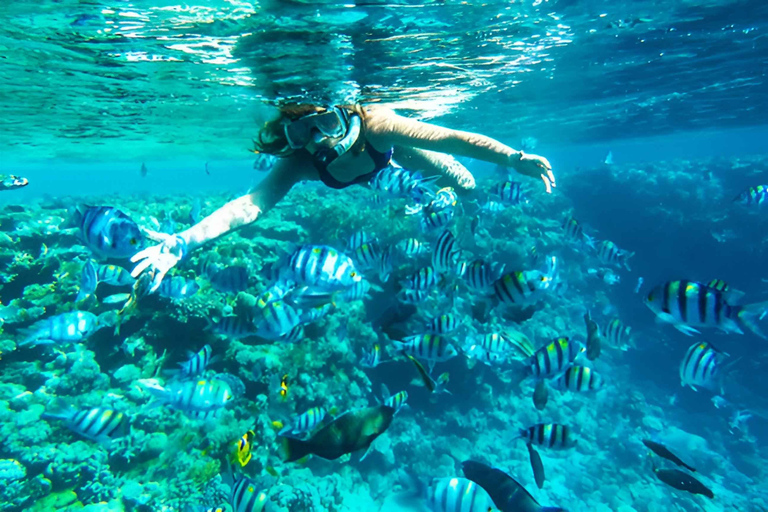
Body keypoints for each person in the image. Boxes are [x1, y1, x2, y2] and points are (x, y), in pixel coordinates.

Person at [131, 104, 555, 290]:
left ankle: (470, 213)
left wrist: (513, 158)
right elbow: (249, 205)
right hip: (376, 180)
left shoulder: (375, 124)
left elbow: (452, 139)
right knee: (415, 189)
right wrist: (185, 241)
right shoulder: (301, 160)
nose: (318, 142)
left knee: (463, 182)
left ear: (342, 115)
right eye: (303, 134)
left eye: (326, 125)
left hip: (397, 156)